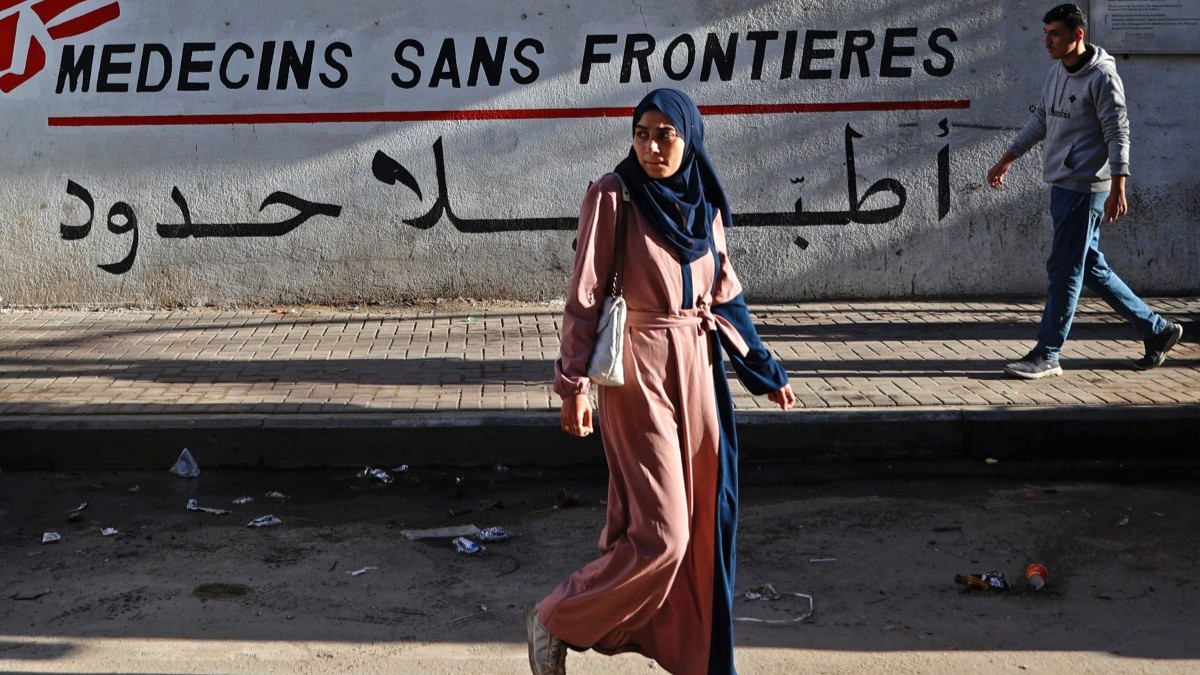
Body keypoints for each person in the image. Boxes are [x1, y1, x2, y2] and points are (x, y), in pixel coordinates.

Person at [526, 88, 796, 675]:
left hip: (699, 366)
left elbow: (725, 294)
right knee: (664, 532)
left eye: (665, 135)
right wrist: (573, 386)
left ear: (689, 137)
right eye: (641, 134)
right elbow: (585, 298)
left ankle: (694, 660)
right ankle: (556, 618)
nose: (651, 147)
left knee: (702, 526)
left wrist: (763, 371)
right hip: (639, 368)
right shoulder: (613, 195)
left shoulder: (705, 203)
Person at [986, 3, 1182, 380]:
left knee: (1064, 270)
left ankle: (1048, 353)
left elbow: (1117, 132)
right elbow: (1042, 118)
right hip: (1062, 183)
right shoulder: (1056, 72)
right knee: (1090, 267)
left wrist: (1119, 185)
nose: (1047, 41)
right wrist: (1008, 157)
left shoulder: (1103, 78)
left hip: (1085, 187)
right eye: (1045, 32)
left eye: (1055, 33)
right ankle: (1157, 330)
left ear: (1078, 35)